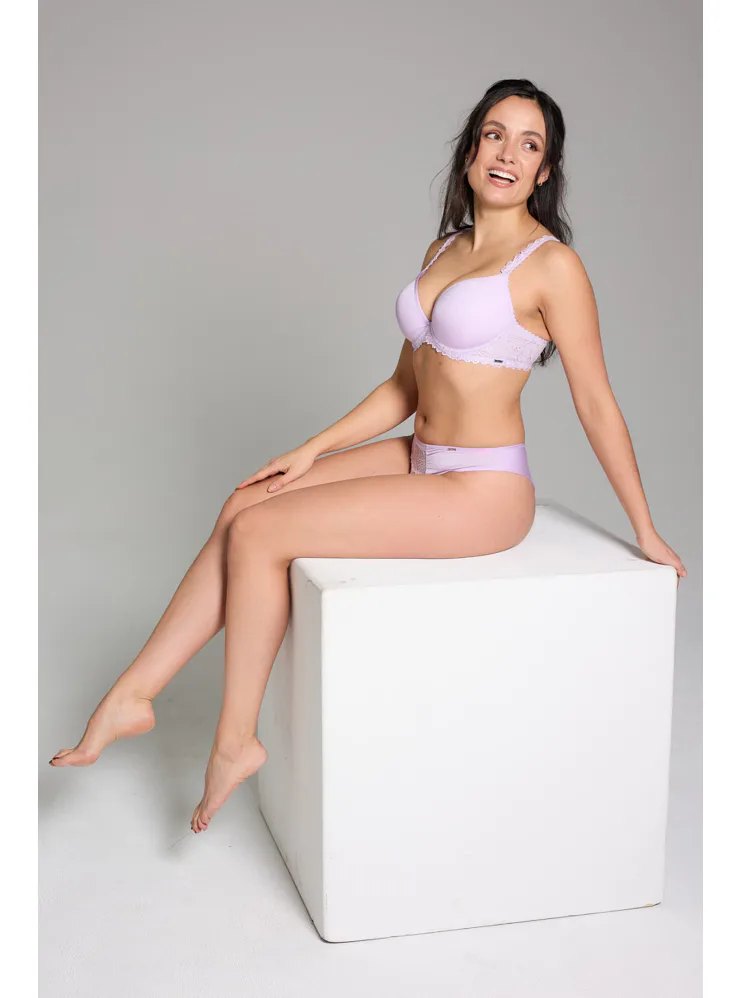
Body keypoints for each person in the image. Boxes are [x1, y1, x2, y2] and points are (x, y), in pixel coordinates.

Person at [49, 78, 687, 834]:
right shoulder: (444, 249)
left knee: (260, 533)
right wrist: (310, 450)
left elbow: (596, 402)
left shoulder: (552, 266)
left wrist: (644, 529)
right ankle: (134, 694)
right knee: (246, 500)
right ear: (471, 149)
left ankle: (235, 741)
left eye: (529, 144)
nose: (507, 154)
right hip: (421, 453)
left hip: (484, 489)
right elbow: (403, 389)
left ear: (544, 171)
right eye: (493, 134)